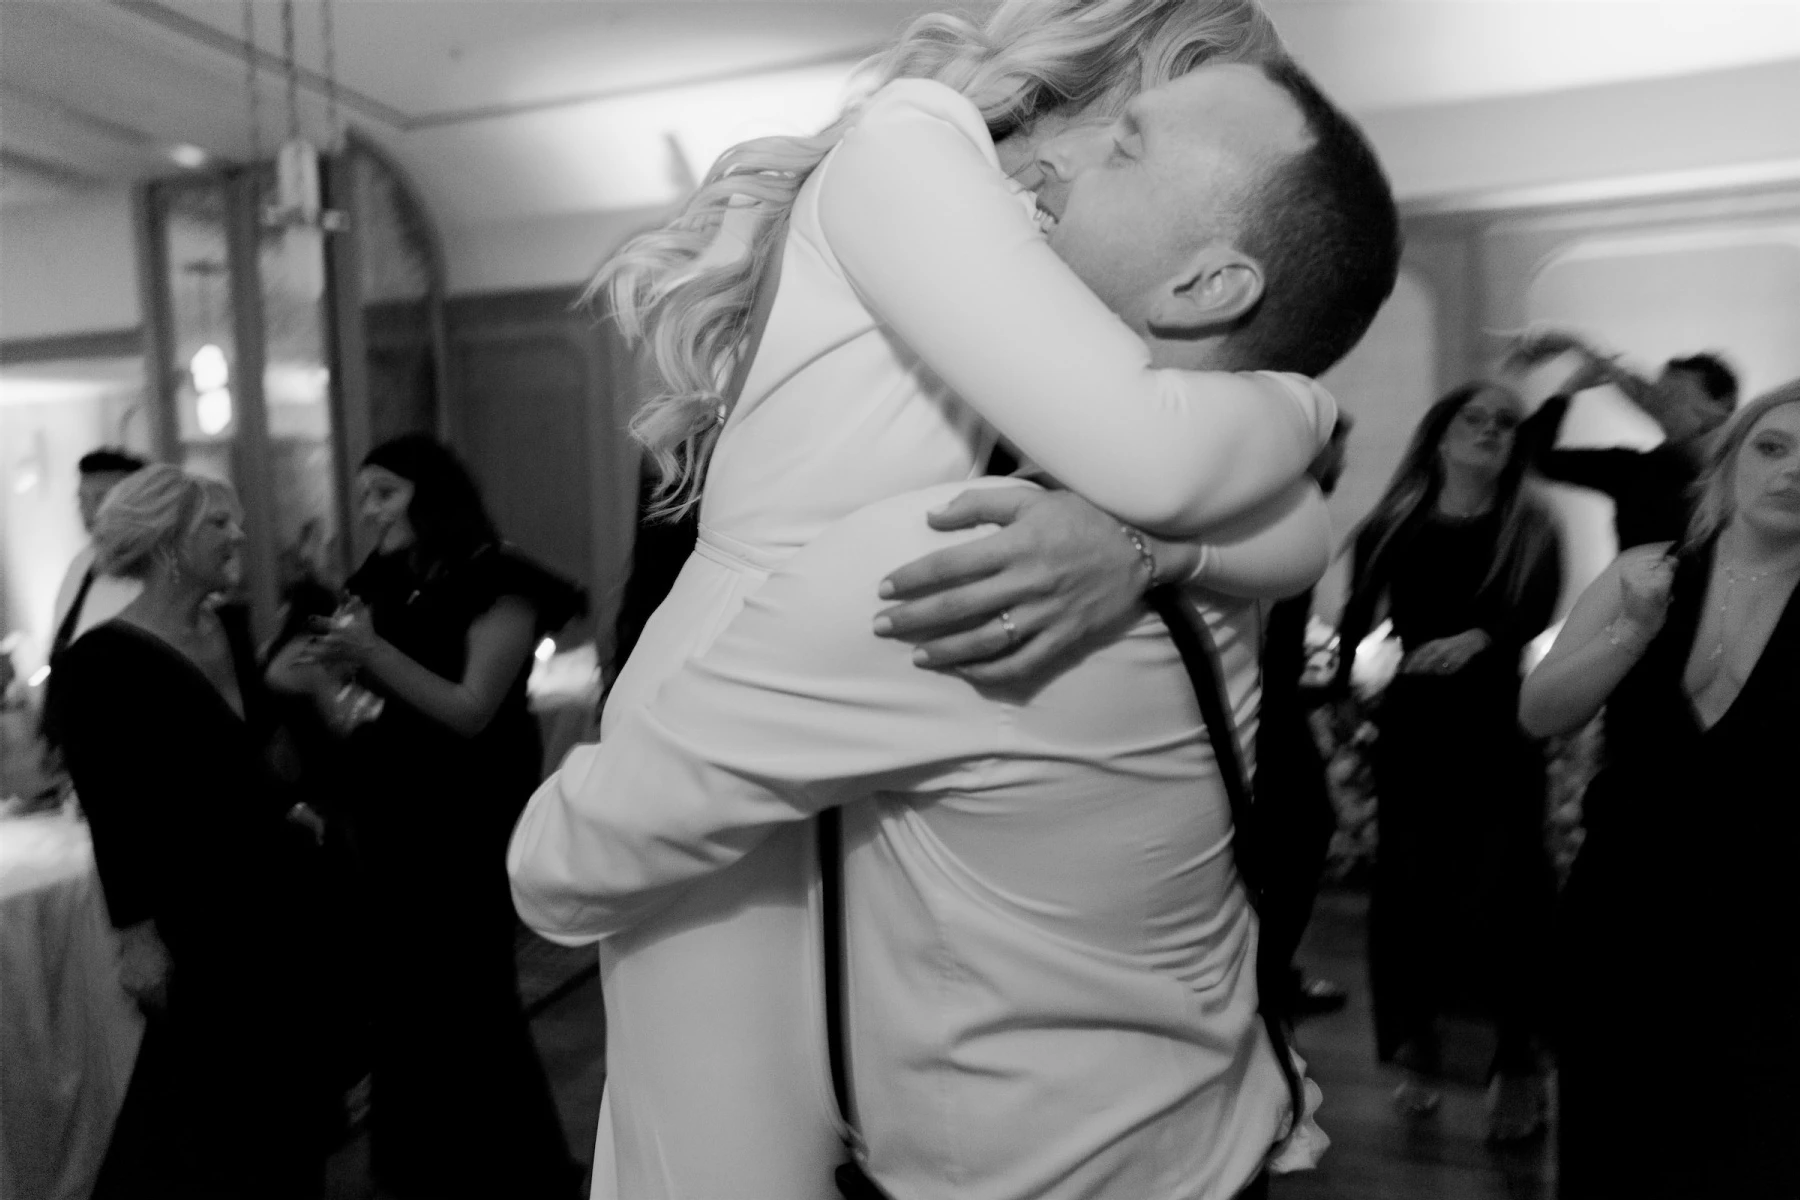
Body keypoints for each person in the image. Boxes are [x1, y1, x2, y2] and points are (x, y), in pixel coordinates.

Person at [514, 12, 1400, 1191]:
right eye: (1137, 122)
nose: (1071, 166)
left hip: (800, 693)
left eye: (1132, 148)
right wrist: (1279, 434)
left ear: (1208, 280)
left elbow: (554, 865)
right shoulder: (914, 153)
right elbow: (1254, 490)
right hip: (1194, 1126)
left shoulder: (963, 561)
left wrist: (1140, 542)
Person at [1520, 381, 1800, 1199]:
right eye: (1772, 447)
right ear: (1731, 459)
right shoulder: (1647, 570)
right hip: (1626, 908)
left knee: (1753, 1147)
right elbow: (1542, 713)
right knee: (1613, 1139)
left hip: (1772, 926)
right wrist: (1633, 631)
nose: (1791, 472)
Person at [295, 435, 585, 1200]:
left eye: (384, 492)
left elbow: (469, 710)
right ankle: (420, 1170)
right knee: (401, 997)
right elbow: (352, 694)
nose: (368, 511)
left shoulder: (501, 580)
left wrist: (372, 656)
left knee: (470, 992)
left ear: (433, 493)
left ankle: (515, 1173)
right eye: (361, 496)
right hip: (390, 806)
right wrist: (334, 691)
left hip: (466, 809)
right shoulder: (382, 580)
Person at [41, 465, 336, 1198]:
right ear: (167, 542)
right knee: (208, 1110)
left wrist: (290, 805)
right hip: (197, 909)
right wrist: (135, 935)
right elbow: (114, 812)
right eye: (219, 523)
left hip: (275, 890)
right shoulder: (99, 664)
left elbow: (252, 750)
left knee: (290, 1094)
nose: (239, 535)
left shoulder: (229, 629)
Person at [1330, 382, 1563, 1140]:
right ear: (1440, 434)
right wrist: (1339, 701)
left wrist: (1480, 638)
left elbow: (1530, 611)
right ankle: (1421, 1051)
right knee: (1412, 892)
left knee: (1505, 892)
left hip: (1497, 725)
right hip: (1418, 727)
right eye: (1476, 417)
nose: (1492, 430)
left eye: (1505, 422)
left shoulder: (1530, 526)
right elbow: (1360, 612)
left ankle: (1517, 1068)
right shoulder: (1394, 522)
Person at [1510, 331, 1737, 549]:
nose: (1662, 401)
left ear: (1720, 406)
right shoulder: (1632, 471)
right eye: (1661, 392)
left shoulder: (1742, 471)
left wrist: (1583, 348)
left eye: (1676, 394)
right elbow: (1531, 456)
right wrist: (1567, 389)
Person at [47, 448, 146, 660]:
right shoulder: (81, 564)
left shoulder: (153, 568)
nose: (89, 510)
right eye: (82, 498)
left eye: (101, 498)